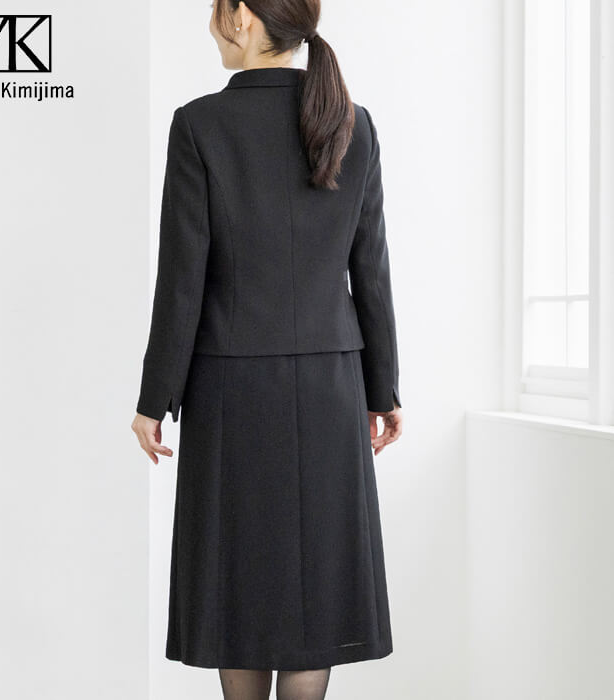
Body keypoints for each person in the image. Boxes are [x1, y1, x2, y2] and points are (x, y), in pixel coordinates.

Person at [131, 1, 404, 698]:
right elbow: (370, 270)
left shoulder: (200, 125)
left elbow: (182, 279)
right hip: (331, 389)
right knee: (316, 601)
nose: (212, 24)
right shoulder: (352, 123)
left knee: (239, 593)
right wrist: (383, 390)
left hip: (231, 392)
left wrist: (154, 399)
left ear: (243, 18)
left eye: (216, 9)